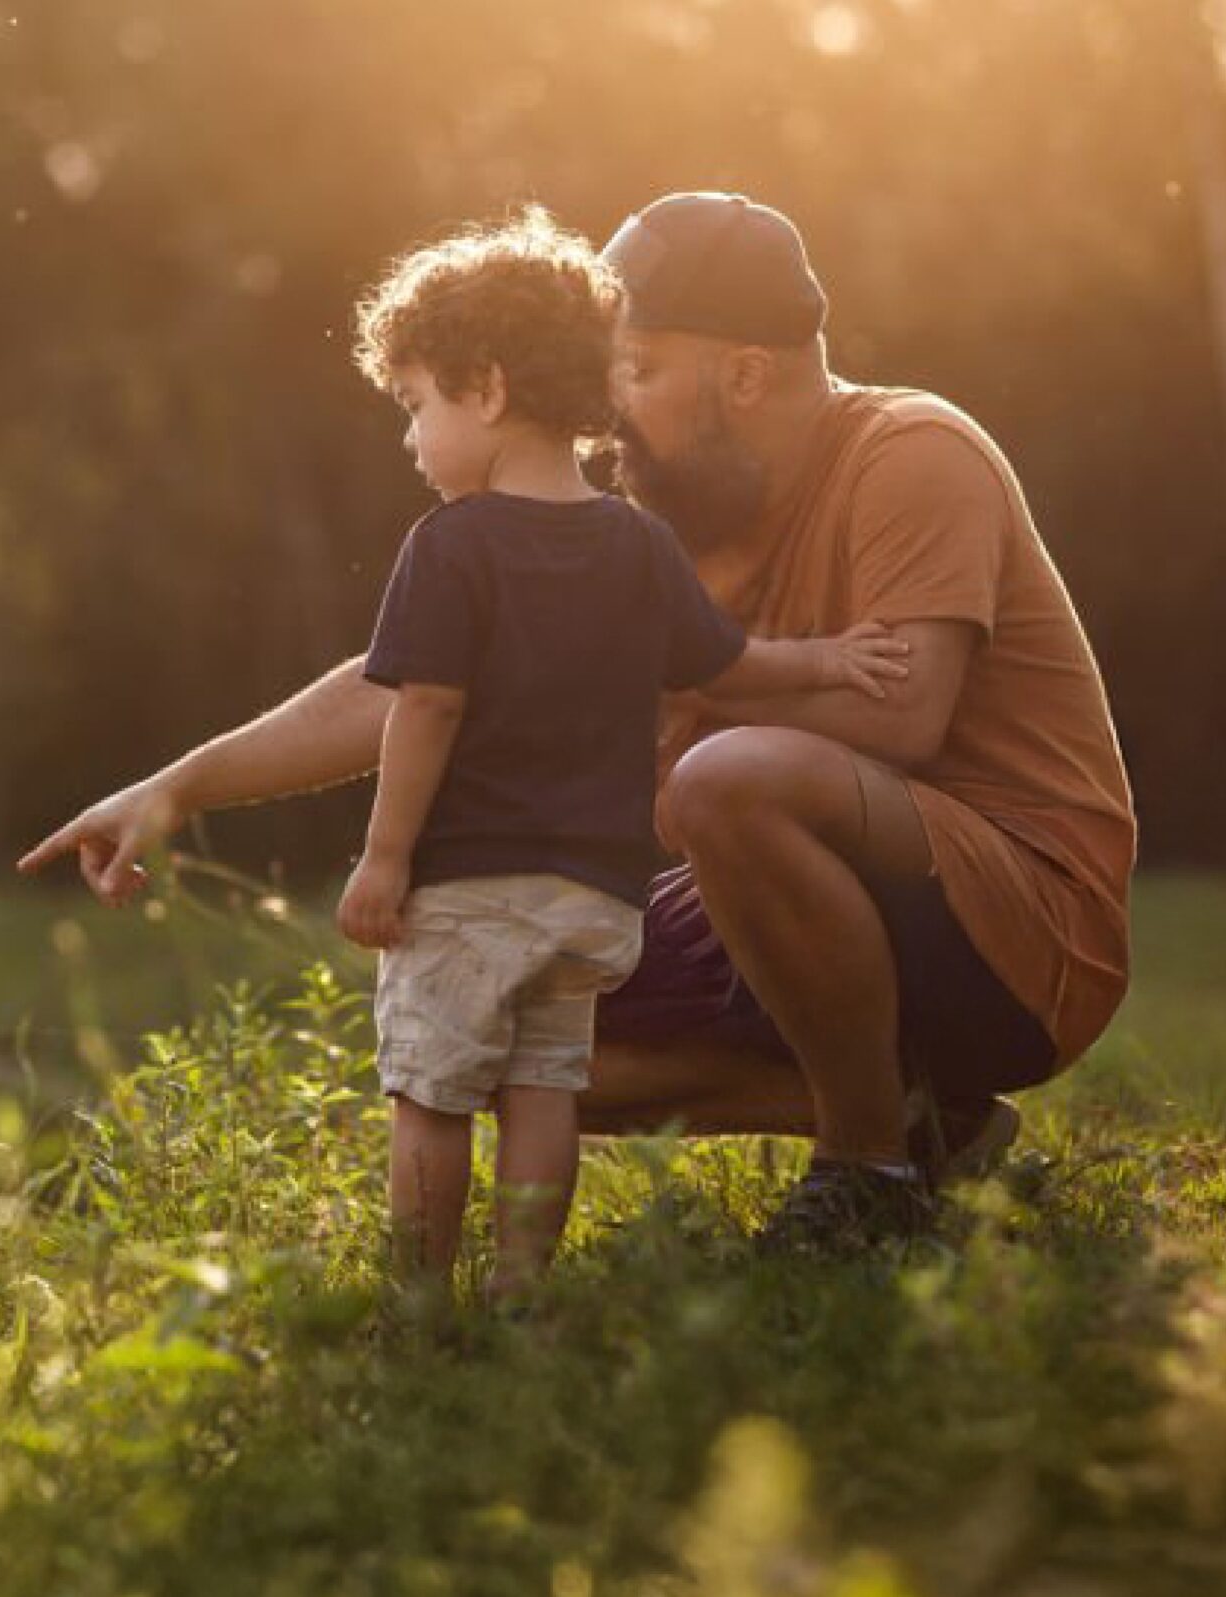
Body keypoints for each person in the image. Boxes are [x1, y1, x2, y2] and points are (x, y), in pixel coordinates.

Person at [21, 192, 1137, 1256]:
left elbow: (904, 716)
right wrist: (177, 788)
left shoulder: (912, 451)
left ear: (745, 374)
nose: (607, 413)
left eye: (636, 372)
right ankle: (923, 1123)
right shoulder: (671, 519)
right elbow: (418, 682)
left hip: (1024, 930)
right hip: (801, 895)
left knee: (722, 780)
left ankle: (867, 1174)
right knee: (501, 1020)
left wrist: (686, 688)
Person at [333, 208, 911, 1300]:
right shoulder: (638, 543)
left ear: (487, 389)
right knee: (544, 1088)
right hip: (592, 893)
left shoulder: (450, 545)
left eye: (416, 406)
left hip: (466, 883)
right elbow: (726, 664)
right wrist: (831, 659)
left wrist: (385, 856)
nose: (412, 441)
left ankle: (417, 1300)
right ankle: (520, 1289)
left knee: (433, 1092)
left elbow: (427, 708)